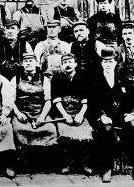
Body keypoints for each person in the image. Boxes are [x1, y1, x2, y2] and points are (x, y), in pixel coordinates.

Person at [91, 47, 134, 182]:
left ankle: (132, 165)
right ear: (102, 63)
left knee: (133, 125)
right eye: (105, 62)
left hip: (121, 114)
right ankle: (106, 168)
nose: (108, 64)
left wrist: (131, 113)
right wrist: (101, 116)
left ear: (115, 63)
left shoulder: (122, 78)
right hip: (104, 116)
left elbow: (132, 98)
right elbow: (92, 102)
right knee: (107, 130)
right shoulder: (96, 80)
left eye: (110, 62)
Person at [11, 53, 57, 168]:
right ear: (22, 64)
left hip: (39, 112)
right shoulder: (16, 78)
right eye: (26, 61)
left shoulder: (44, 79)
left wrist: (42, 117)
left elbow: (48, 101)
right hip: (22, 113)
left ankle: (44, 162)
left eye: (31, 61)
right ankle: (22, 161)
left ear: (36, 63)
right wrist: (18, 113)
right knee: (18, 129)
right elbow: (10, 100)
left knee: (50, 129)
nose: (28, 63)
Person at [51, 53, 93, 175]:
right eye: (65, 63)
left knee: (86, 132)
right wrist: (65, 115)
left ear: (75, 64)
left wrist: (80, 115)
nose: (67, 65)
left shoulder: (83, 77)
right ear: (62, 65)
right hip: (62, 113)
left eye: (70, 62)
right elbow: (56, 99)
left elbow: (86, 99)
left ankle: (85, 163)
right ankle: (67, 163)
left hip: (80, 112)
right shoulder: (57, 78)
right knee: (64, 133)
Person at [118, 22, 134, 180]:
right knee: (128, 123)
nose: (128, 36)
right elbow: (116, 71)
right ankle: (130, 161)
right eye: (125, 34)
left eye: (130, 33)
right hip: (126, 90)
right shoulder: (119, 51)